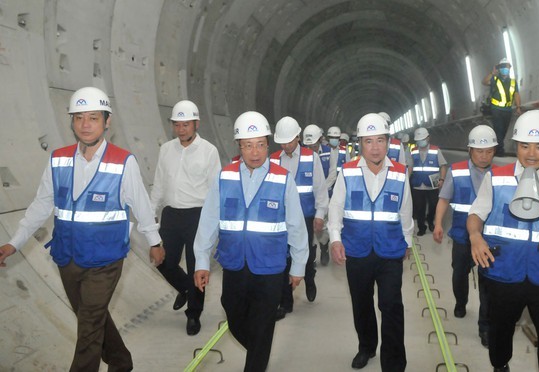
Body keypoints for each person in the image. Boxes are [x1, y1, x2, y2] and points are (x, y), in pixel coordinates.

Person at [0, 87, 165, 372]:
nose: (85, 124)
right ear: (72, 122)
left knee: (88, 327)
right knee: (92, 316)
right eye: (78, 118)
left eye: (93, 117)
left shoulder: (123, 162)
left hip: (105, 260)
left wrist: (154, 240)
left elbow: (140, 205)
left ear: (107, 121)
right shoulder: (59, 159)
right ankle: (121, 361)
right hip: (67, 257)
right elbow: (41, 205)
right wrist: (14, 242)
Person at [193, 111, 309, 372]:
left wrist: (298, 265)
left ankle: (255, 364)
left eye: (259, 144)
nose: (255, 152)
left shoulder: (282, 178)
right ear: (239, 146)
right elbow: (209, 220)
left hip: (269, 267)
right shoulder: (225, 176)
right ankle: (258, 351)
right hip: (234, 264)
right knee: (234, 318)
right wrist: (201, 260)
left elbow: (296, 226)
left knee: (263, 323)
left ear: (268, 144)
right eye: (247, 145)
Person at [467, 110, 539, 372]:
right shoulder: (497, 177)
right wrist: (475, 236)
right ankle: (500, 365)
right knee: (499, 333)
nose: (532, 153)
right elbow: (476, 213)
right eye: (525, 145)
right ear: (516, 146)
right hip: (504, 273)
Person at [329, 113, 413, 371]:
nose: (375, 147)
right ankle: (366, 347)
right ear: (360, 143)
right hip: (357, 249)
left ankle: (394, 362)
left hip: (390, 251)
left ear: (388, 142)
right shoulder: (348, 171)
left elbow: (405, 210)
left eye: (380, 140)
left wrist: (407, 242)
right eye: (369, 141)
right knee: (361, 303)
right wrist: (335, 239)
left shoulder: (400, 173)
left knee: (391, 305)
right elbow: (336, 207)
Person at [150, 100, 221, 336]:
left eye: (186, 124)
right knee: (162, 260)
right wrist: (151, 212)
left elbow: (216, 190)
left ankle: (194, 314)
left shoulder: (209, 151)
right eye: (177, 124)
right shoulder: (166, 149)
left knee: (196, 266)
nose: (181, 129)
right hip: (171, 214)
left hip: (197, 215)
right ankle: (186, 289)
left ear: (196, 124)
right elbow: (159, 184)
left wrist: (215, 223)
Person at [432, 125, 497, 347]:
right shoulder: (456, 170)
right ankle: (461, 301)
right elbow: (444, 199)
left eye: (489, 151)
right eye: (479, 151)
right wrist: (438, 223)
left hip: (488, 239)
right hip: (461, 236)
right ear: (470, 151)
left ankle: (485, 326)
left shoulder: (499, 175)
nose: (484, 155)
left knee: (488, 283)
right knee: (459, 274)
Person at [271, 116, 328, 319]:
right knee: (283, 258)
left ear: (297, 137)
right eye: (282, 141)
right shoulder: (273, 159)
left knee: (306, 255)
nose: (286, 145)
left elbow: (320, 190)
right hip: (281, 218)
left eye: (289, 140)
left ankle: (309, 277)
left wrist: (320, 214)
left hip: (305, 216)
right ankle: (285, 302)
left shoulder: (311, 159)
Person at [303, 124, 332, 265]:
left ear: (320, 140)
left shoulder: (328, 152)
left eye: (313, 146)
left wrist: (321, 189)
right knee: (311, 231)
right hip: (309, 198)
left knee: (323, 228)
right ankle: (312, 257)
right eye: (308, 146)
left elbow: (332, 173)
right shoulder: (303, 156)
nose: (311, 149)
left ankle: (325, 248)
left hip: (326, 195)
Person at [410, 127, 447, 236]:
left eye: (423, 139)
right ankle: (422, 227)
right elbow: (410, 167)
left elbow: (443, 166)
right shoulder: (413, 151)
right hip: (417, 184)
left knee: (433, 205)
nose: (421, 141)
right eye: (419, 140)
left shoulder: (436, 150)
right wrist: (406, 180)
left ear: (428, 138)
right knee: (419, 207)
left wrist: (442, 179)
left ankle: (430, 221)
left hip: (432, 184)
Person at [482, 58, 522, 157]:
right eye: (503, 66)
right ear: (499, 68)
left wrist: (518, 107)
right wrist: (492, 73)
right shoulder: (494, 79)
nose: (506, 68)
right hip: (496, 109)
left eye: (507, 66)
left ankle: (496, 146)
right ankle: (500, 150)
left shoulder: (513, 82)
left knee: (504, 130)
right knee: (499, 129)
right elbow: (484, 82)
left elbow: (516, 94)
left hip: (507, 110)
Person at [326, 125, 347, 194]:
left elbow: (348, 166)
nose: (334, 139)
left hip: (340, 183)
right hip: (326, 184)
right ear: (328, 138)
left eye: (336, 138)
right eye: (332, 137)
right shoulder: (324, 151)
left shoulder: (344, 150)